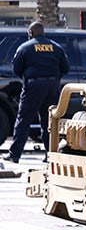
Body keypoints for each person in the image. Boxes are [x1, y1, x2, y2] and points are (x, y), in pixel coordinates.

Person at [5, 22, 70, 164]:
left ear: (30, 33)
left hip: (34, 85)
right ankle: (51, 155)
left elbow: (16, 69)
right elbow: (66, 68)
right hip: (53, 86)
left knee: (24, 119)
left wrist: (28, 78)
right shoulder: (56, 47)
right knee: (50, 121)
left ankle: (14, 154)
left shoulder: (25, 47)